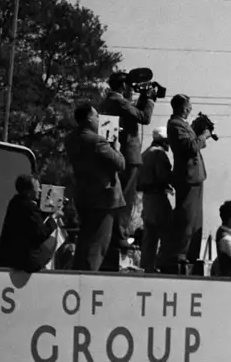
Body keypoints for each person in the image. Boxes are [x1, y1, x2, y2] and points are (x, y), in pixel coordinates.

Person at [64, 102, 126, 272]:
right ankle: (89, 275)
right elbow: (120, 163)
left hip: (83, 195)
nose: (99, 119)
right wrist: (116, 147)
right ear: (89, 118)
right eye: (97, 116)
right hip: (103, 198)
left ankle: (79, 270)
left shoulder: (70, 138)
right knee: (98, 243)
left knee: (85, 239)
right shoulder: (97, 141)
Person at [98, 70, 156, 248]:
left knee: (119, 197)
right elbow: (143, 117)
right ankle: (120, 236)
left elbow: (134, 113)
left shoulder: (109, 101)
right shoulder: (119, 101)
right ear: (123, 86)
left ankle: (115, 234)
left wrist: (143, 99)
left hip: (117, 153)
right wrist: (150, 99)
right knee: (125, 199)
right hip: (127, 154)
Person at [165, 96, 210, 274]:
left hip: (195, 176)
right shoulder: (175, 125)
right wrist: (203, 135)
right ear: (183, 108)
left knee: (195, 218)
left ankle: (190, 253)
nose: (190, 108)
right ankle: (180, 254)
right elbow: (189, 147)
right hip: (188, 176)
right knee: (187, 216)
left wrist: (195, 129)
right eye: (189, 106)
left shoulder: (181, 125)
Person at [0, 175, 59, 273]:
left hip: (5, 256)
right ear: (28, 192)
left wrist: (46, 212)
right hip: (24, 260)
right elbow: (40, 235)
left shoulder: (15, 202)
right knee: (52, 242)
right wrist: (54, 218)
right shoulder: (29, 208)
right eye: (38, 188)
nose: (40, 191)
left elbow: (31, 223)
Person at [135, 133, 176, 272]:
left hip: (147, 199)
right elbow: (163, 176)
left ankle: (146, 266)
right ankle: (162, 265)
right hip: (158, 198)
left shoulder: (145, 153)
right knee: (167, 232)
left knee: (149, 236)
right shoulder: (159, 154)